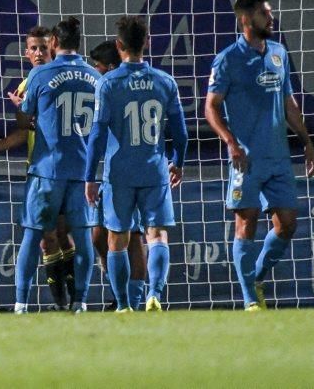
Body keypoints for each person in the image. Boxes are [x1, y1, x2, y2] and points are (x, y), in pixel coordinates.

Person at [204, 0, 314, 311]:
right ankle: (251, 301)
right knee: (246, 226)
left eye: (270, 13)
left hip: (279, 157)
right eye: (264, 14)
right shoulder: (227, 59)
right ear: (246, 19)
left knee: (288, 225)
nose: (271, 18)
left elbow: (289, 104)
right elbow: (210, 108)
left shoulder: (279, 52)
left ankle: (256, 276)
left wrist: (307, 142)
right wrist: (230, 141)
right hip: (246, 159)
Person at [84, 16, 188, 313]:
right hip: (155, 170)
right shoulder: (164, 81)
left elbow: (97, 135)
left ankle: (125, 305)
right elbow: (180, 133)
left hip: (119, 173)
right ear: (147, 42)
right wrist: (177, 163)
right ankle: (154, 294)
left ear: (119, 46)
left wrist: (89, 177)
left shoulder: (108, 83)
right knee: (157, 235)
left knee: (118, 238)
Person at [12, 17, 99, 314]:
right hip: (82, 171)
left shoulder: (40, 75)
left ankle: (21, 304)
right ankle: (81, 301)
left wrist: (22, 107)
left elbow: (27, 114)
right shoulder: (96, 77)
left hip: (47, 170)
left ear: (54, 44)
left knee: (33, 234)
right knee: (82, 237)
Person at [0, 27, 79, 311]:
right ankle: (62, 304)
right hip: (40, 167)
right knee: (47, 238)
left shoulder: (63, 77)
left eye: (43, 47)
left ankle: (75, 300)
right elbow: (25, 130)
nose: (39, 53)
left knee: (63, 234)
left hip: (63, 169)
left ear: (52, 47)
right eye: (33, 49)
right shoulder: (29, 83)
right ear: (26, 53)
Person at [88, 40, 147, 310]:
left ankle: (134, 299)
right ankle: (120, 292)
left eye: (97, 67)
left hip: (126, 172)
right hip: (108, 173)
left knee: (132, 236)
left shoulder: (118, 88)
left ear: (110, 67)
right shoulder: (104, 89)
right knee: (99, 236)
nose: (93, 71)